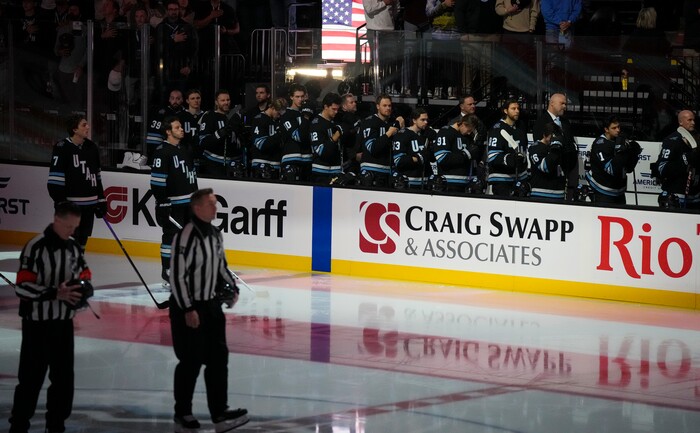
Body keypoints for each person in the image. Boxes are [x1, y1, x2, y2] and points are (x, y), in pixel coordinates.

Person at [169, 188, 249, 433]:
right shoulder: (184, 237)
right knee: (190, 362)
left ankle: (219, 411)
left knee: (218, 360)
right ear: (197, 208)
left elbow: (221, 267)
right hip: (189, 309)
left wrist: (233, 289)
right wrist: (188, 308)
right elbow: (177, 276)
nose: (216, 208)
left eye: (215, 203)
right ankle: (182, 412)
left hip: (211, 306)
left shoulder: (215, 234)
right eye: (211, 204)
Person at [9, 201, 92, 433]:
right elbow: (22, 287)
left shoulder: (74, 247)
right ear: (56, 220)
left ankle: (56, 425)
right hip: (37, 325)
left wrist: (83, 290)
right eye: (68, 227)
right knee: (30, 380)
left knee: (64, 380)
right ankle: (19, 425)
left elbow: (85, 275)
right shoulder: (35, 247)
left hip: (64, 323)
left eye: (75, 227)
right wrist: (55, 293)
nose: (72, 232)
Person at [47, 114, 106, 251]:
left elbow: (97, 176)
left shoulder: (92, 147)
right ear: (74, 129)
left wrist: (101, 199)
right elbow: (54, 180)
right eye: (84, 125)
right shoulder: (62, 148)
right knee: (68, 242)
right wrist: (61, 202)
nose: (88, 127)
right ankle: (65, 270)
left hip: (89, 205)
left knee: (82, 242)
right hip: (71, 206)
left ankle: (78, 270)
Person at [150, 116, 198, 284]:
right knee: (171, 237)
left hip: (189, 203)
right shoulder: (162, 152)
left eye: (181, 127)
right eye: (177, 128)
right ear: (168, 132)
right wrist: (162, 202)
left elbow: (191, 177)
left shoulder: (184, 149)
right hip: (173, 204)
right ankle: (167, 270)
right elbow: (156, 182)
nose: (181, 129)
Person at [585, 115, 642, 205]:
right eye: (614, 128)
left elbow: (629, 169)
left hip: (619, 192)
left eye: (618, 127)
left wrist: (633, 154)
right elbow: (611, 169)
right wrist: (621, 151)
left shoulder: (620, 141)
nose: (618, 130)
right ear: (606, 129)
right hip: (603, 191)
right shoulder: (600, 144)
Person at [532, 93, 578, 200]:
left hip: (563, 175)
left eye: (565, 104)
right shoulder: (541, 122)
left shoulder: (565, 122)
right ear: (552, 103)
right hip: (547, 179)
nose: (564, 106)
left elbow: (570, 145)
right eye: (562, 103)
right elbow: (543, 147)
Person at [653, 110, 700, 209]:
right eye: (689, 120)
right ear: (681, 122)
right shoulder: (671, 140)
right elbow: (662, 168)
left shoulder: (698, 139)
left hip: (695, 196)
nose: (693, 123)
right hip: (676, 196)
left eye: (694, 120)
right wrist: (686, 160)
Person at [359, 93, 405, 187]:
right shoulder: (369, 122)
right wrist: (388, 134)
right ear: (377, 106)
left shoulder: (391, 122)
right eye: (384, 105)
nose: (388, 108)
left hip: (388, 172)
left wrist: (401, 126)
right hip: (371, 171)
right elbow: (373, 148)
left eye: (389, 105)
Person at [155, 0, 198, 101]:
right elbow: (157, 49)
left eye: (175, 9)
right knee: (165, 99)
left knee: (181, 99)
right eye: (171, 9)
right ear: (167, 11)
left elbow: (194, 49)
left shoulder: (187, 27)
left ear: (179, 10)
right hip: (165, 71)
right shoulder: (161, 27)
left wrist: (190, 66)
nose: (173, 12)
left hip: (182, 70)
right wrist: (173, 40)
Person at [198, 89, 246, 178]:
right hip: (214, 163)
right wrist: (219, 134)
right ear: (216, 102)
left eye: (228, 100)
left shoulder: (235, 117)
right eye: (222, 100)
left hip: (235, 164)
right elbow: (203, 141)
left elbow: (240, 140)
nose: (226, 102)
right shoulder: (209, 116)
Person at [486, 98, 528, 196]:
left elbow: (524, 150)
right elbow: (493, 157)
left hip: (519, 179)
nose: (517, 111)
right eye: (513, 108)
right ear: (505, 111)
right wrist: (511, 159)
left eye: (518, 108)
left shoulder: (521, 127)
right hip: (501, 180)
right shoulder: (497, 129)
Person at [433, 114, 482, 192]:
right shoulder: (445, 132)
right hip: (449, 184)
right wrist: (465, 154)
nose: (469, 133)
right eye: (468, 130)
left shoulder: (468, 137)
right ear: (462, 124)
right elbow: (442, 158)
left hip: (465, 184)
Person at [528, 122, 577, 200]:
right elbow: (545, 167)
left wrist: (570, 149)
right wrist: (555, 149)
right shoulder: (535, 148)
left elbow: (569, 166)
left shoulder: (561, 147)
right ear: (544, 135)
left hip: (559, 194)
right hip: (540, 195)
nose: (554, 140)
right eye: (551, 138)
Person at [362, 0, 401, 94]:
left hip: (389, 31)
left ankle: (389, 86)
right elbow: (369, 9)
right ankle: (376, 86)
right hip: (375, 31)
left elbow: (397, 9)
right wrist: (384, 3)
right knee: (377, 61)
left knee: (391, 60)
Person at [279, 83, 312, 181]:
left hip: (308, 160)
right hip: (291, 159)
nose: (300, 99)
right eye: (297, 96)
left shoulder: (309, 112)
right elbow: (298, 136)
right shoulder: (287, 115)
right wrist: (306, 117)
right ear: (291, 97)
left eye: (302, 96)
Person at [309, 92, 343, 184]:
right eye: (333, 109)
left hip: (336, 171)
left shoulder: (336, 121)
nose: (336, 112)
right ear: (325, 107)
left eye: (337, 109)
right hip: (321, 172)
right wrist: (335, 137)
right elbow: (321, 150)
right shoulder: (316, 123)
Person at [392, 108, 431, 189]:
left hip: (423, 184)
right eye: (422, 120)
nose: (426, 122)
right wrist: (417, 158)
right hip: (407, 183)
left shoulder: (425, 135)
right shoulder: (402, 135)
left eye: (427, 120)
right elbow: (398, 160)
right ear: (414, 120)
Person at [146, 89, 186, 165]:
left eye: (178, 98)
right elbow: (153, 138)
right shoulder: (161, 113)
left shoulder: (185, 114)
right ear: (169, 99)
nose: (175, 101)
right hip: (160, 150)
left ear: (182, 100)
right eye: (172, 98)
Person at [249, 97, 286, 179]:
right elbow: (260, 144)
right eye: (278, 113)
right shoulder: (259, 119)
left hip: (275, 165)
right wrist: (278, 134)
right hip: (261, 164)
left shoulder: (277, 121)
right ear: (272, 107)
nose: (279, 116)